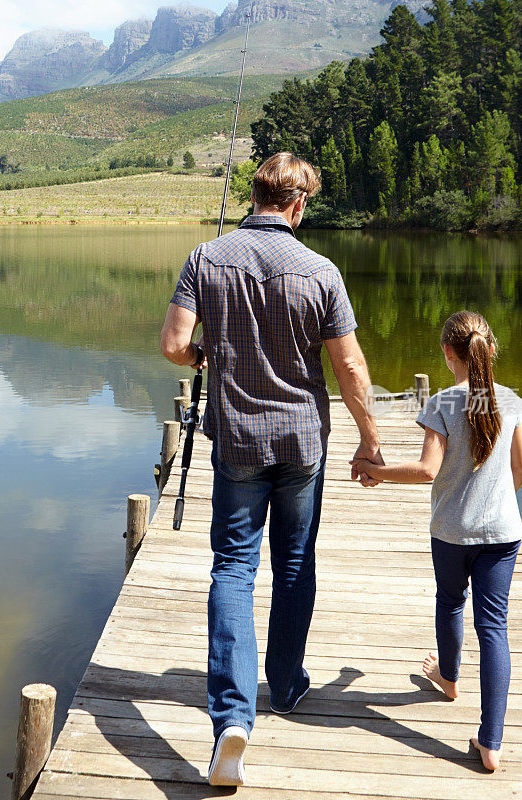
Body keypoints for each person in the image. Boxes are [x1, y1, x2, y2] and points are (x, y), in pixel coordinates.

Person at [160, 152, 383, 786]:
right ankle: (284, 687)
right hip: (302, 444)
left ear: (255, 195)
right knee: (294, 564)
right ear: (299, 204)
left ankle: (232, 718)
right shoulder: (322, 271)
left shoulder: (207, 258)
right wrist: (370, 441)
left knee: (233, 567)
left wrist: (207, 351)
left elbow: (175, 345)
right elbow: (350, 368)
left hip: (235, 442)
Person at [353, 310, 522, 772]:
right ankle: (491, 743)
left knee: (451, 601)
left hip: (452, 531)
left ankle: (449, 680)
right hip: (503, 534)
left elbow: (428, 470)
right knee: (494, 628)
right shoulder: (510, 401)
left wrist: (376, 471)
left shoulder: (442, 405)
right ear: (489, 349)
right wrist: (496, 504)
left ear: (449, 354)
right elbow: (521, 469)